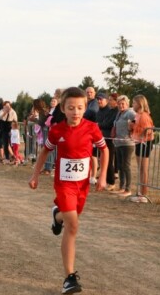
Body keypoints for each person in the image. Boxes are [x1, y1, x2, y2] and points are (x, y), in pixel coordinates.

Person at [29, 87, 108, 295]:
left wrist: (102, 175)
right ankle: (69, 277)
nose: (76, 112)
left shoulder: (92, 128)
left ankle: (57, 216)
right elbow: (45, 151)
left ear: (85, 108)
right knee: (73, 225)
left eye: (80, 108)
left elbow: (104, 149)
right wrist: (35, 175)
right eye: (71, 108)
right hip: (64, 185)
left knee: (70, 219)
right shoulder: (57, 130)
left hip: (82, 186)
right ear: (63, 108)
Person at [129, 95, 155, 203]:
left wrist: (136, 130)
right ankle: (141, 192)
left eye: (134, 103)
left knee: (143, 169)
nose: (132, 105)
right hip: (140, 142)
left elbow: (148, 130)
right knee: (141, 169)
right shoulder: (138, 115)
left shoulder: (144, 116)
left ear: (139, 104)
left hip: (144, 143)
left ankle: (143, 194)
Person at [113, 95, 136, 197]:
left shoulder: (130, 113)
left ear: (127, 104)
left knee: (126, 166)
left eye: (123, 104)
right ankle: (121, 187)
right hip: (118, 143)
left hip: (127, 143)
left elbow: (137, 120)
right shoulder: (119, 113)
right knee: (120, 166)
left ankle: (128, 189)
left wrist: (133, 130)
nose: (121, 105)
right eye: (119, 104)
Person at [96, 92, 117, 190]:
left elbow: (108, 124)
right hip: (104, 137)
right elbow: (105, 122)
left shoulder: (115, 111)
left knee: (108, 161)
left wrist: (98, 125)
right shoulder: (111, 111)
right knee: (103, 160)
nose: (110, 101)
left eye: (111, 100)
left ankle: (111, 181)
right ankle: (107, 180)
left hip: (110, 139)